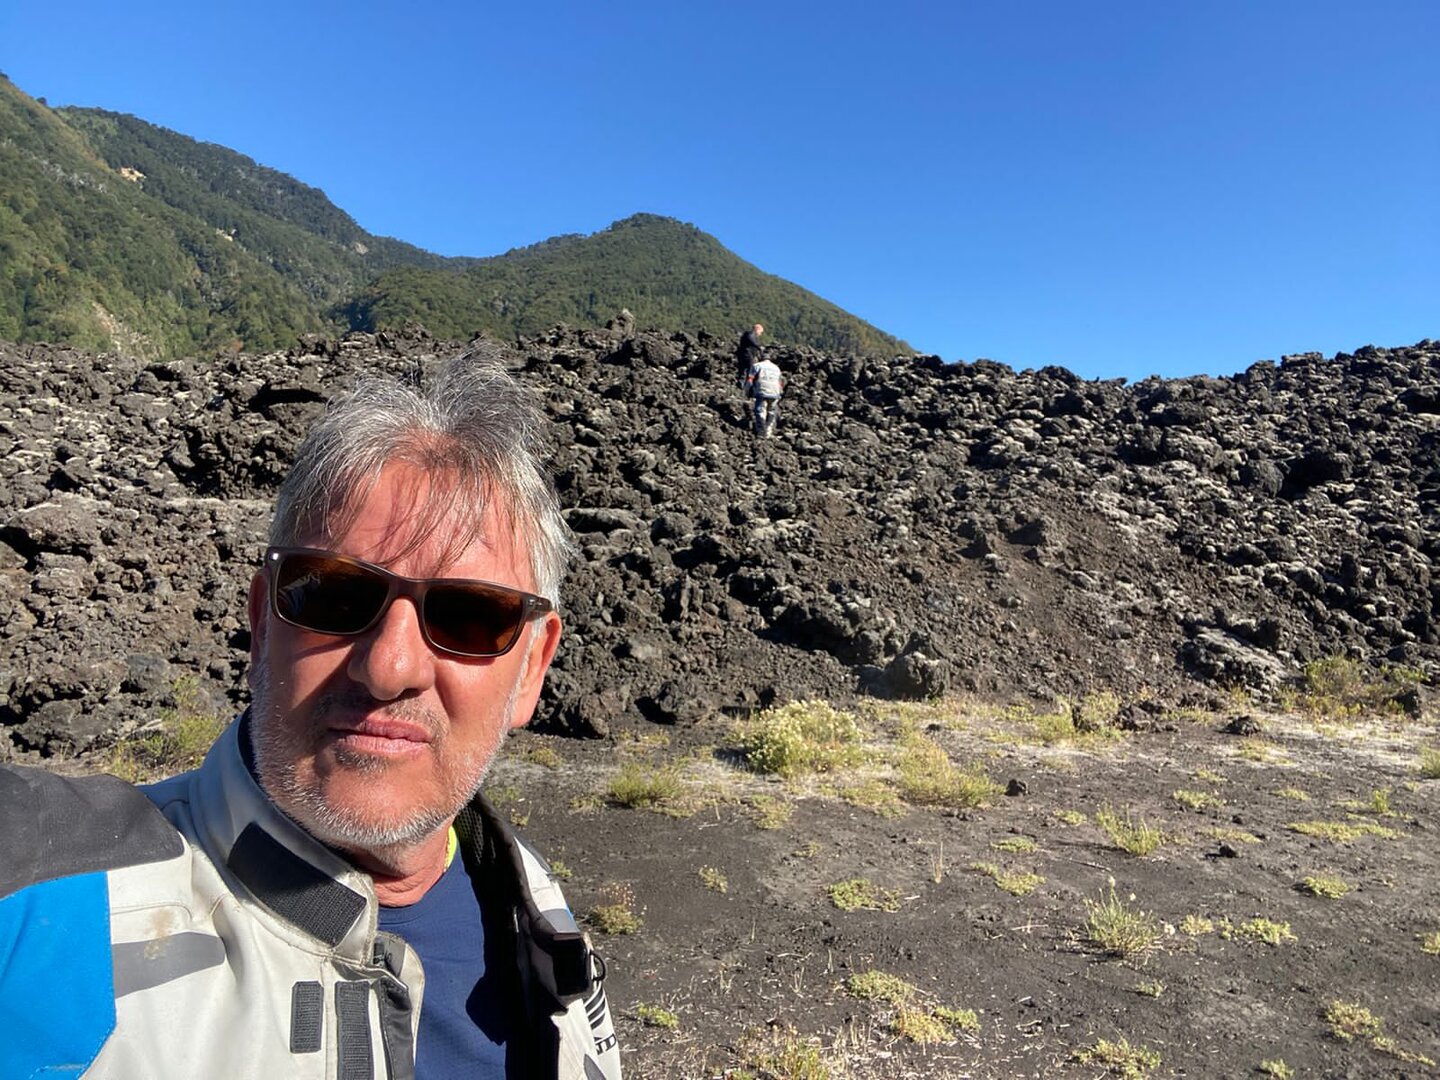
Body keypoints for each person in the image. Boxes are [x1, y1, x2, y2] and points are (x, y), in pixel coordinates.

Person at [0, 348, 622, 1080]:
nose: (389, 667)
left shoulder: (535, 908)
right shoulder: (49, 900)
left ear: (532, 670)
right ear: (262, 623)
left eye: (470, 615)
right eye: (331, 594)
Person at [745, 353, 785, 437]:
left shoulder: (756, 366)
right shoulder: (776, 368)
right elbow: (781, 382)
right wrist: (780, 393)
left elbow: (750, 380)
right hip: (775, 392)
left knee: (760, 410)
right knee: (771, 411)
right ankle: (768, 432)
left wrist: (747, 392)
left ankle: (761, 432)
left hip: (762, 391)